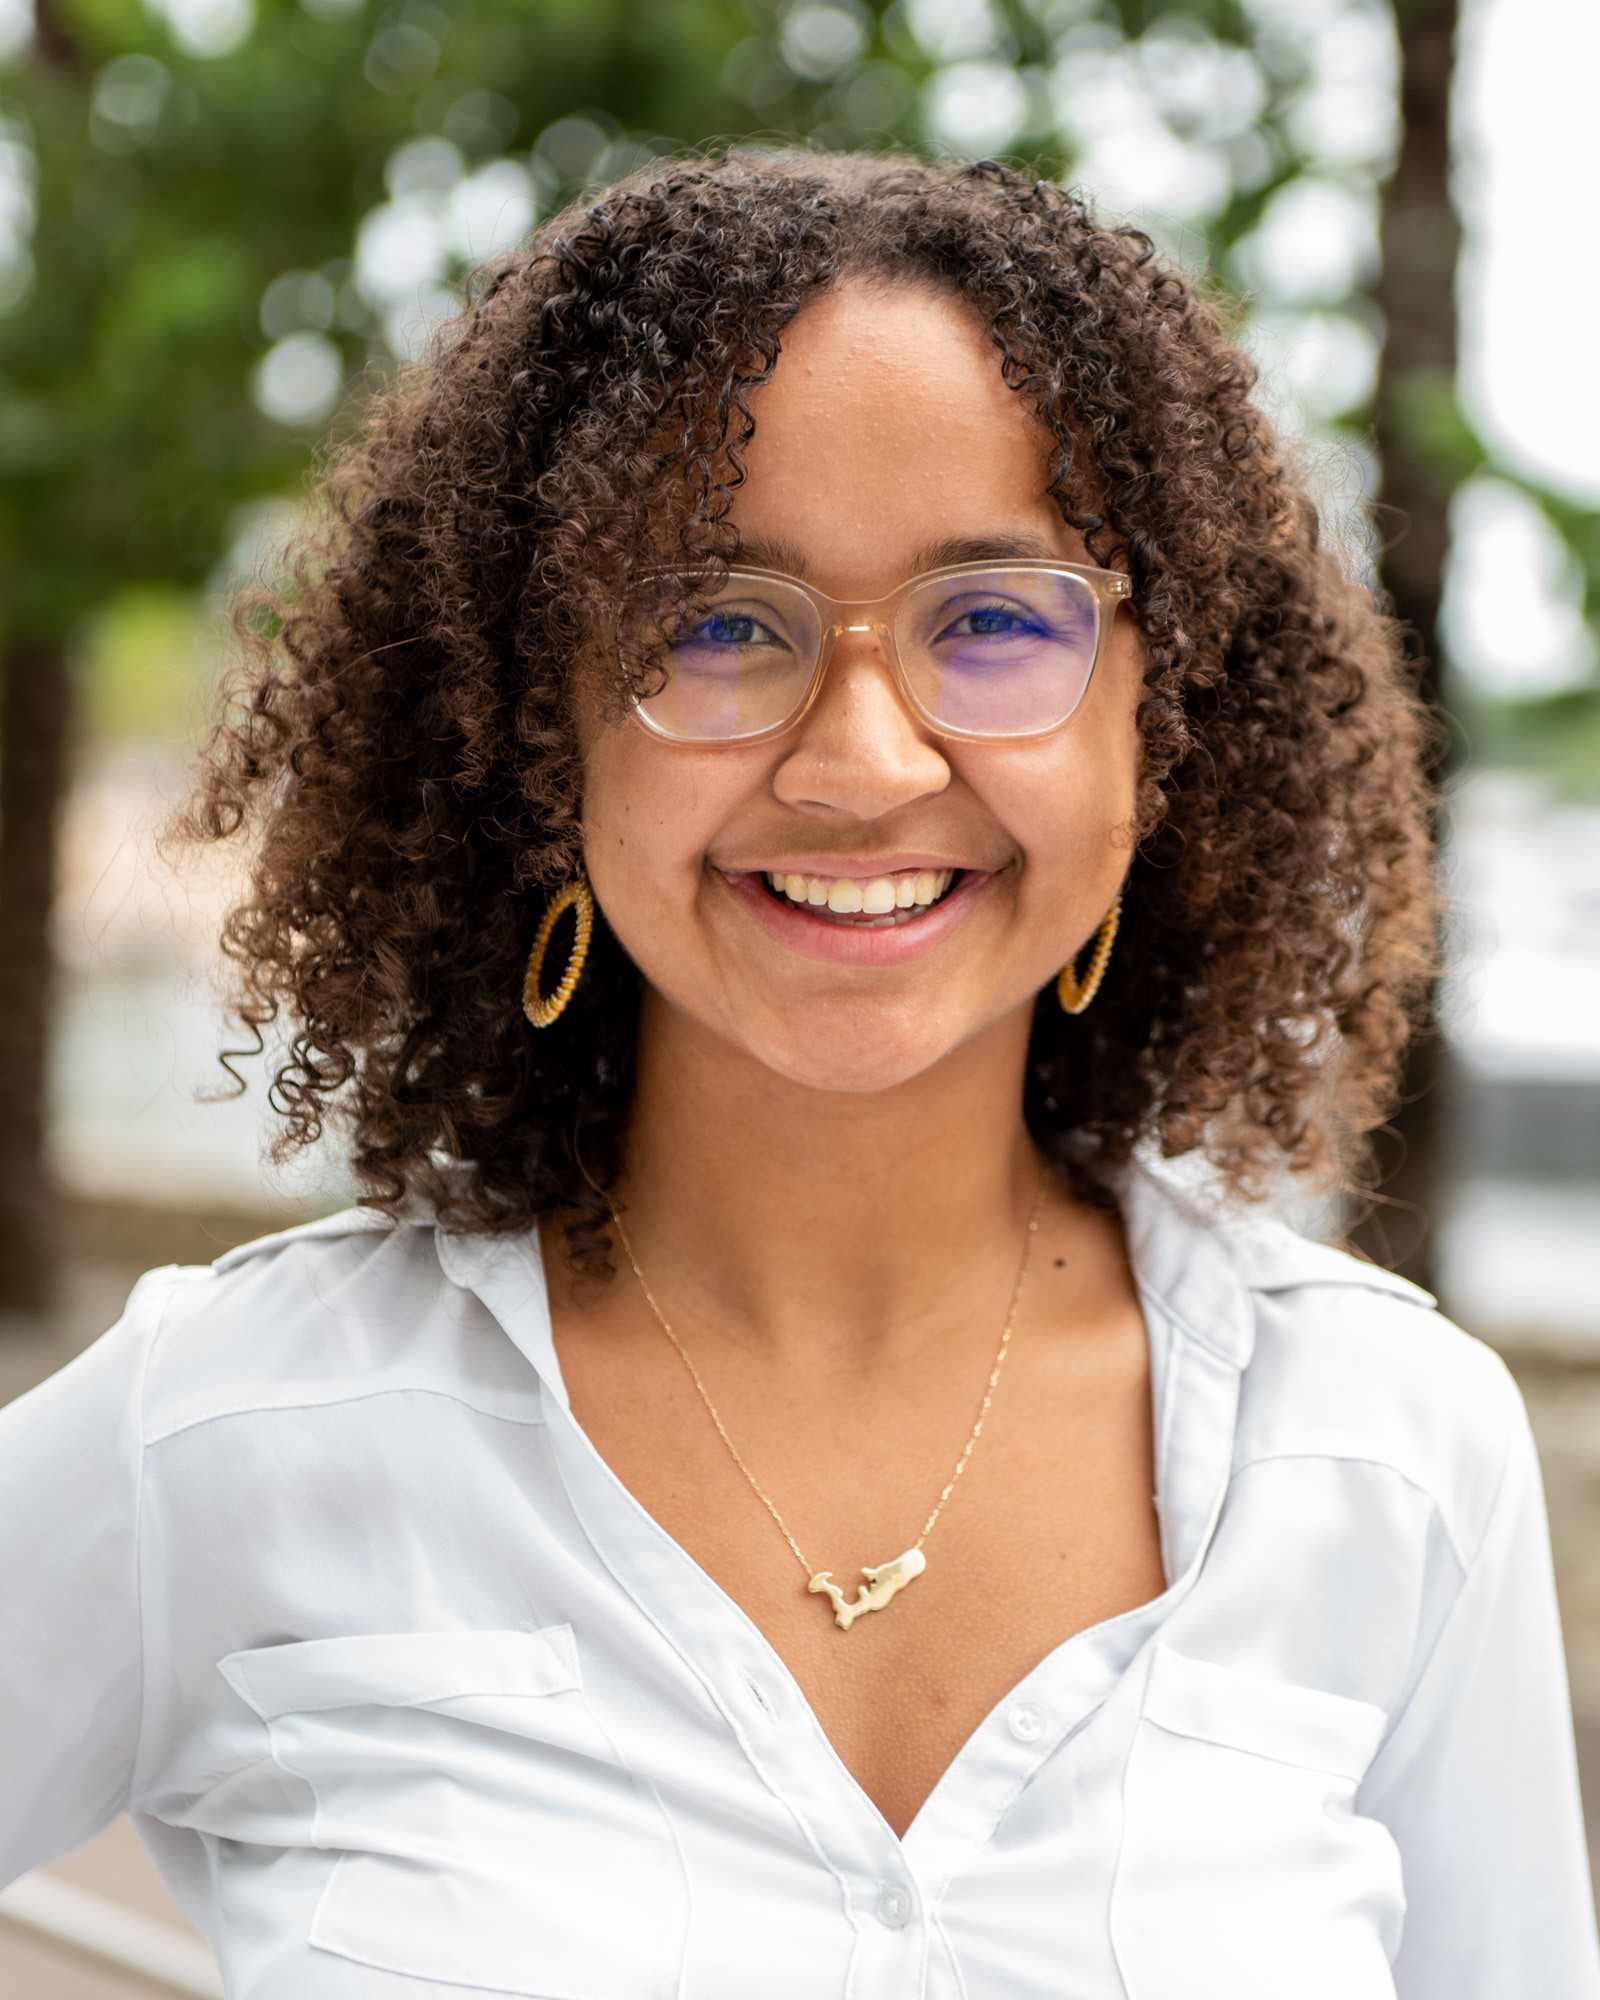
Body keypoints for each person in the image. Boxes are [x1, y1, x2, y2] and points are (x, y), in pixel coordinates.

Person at [1, 150, 1594, 2000]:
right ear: (540, 727)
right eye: (714, 621)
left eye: (996, 619)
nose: (859, 760)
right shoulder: (232, 1435)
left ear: (1159, 727)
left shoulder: (1389, 1450)